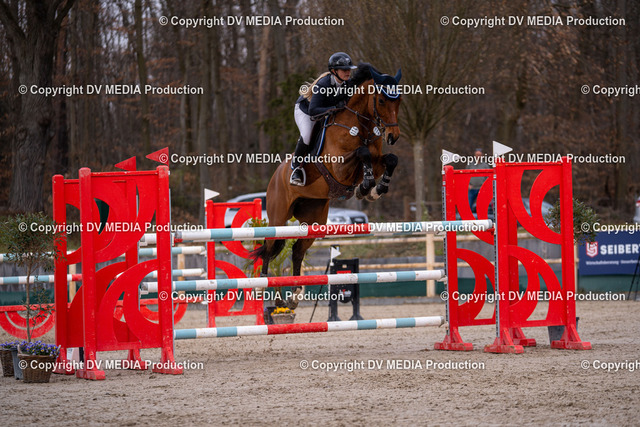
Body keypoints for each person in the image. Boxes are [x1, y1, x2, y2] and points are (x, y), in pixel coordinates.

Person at [290, 52, 357, 186]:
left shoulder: (348, 84)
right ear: (334, 71)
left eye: (349, 69)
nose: (348, 72)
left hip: (325, 111)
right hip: (306, 111)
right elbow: (313, 111)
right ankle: (296, 167)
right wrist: (334, 108)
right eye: (344, 69)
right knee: (307, 135)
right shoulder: (323, 85)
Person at [467, 148, 490, 213]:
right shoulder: (470, 165)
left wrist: (485, 186)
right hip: (472, 188)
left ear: (482, 156)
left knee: (482, 206)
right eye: (477, 155)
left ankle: (482, 218)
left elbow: (488, 176)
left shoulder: (485, 165)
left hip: (481, 189)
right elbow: (465, 175)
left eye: (479, 155)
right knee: (468, 205)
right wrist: (468, 184)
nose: (478, 156)